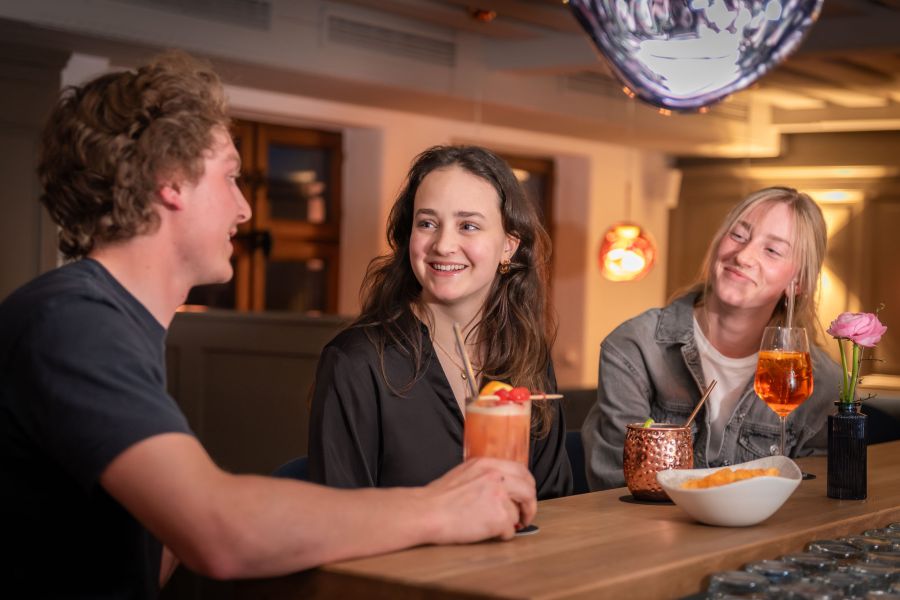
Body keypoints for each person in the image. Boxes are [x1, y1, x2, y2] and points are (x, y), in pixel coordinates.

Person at [0, 52, 538, 598]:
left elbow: (153, 544)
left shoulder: (108, 324)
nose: (244, 210)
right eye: (231, 178)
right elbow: (218, 533)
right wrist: (442, 509)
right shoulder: (73, 325)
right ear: (171, 183)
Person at [308, 145, 572, 500]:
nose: (444, 244)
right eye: (428, 223)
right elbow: (336, 519)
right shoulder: (355, 363)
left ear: (508, 246)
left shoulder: (528, 355)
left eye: (468, 225)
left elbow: (554, 505)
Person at [581, 187, 843, 491]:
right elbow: (614, 487)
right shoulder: (633, 347)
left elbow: (814, 499)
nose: (743, 256)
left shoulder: (821, 383)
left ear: (797, 283)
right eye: (738, 235)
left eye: (772, 250)